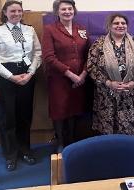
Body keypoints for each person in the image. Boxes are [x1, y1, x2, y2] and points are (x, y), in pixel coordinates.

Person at [0, 0, 42, 171]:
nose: (16, 14)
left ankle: (25, 150)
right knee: (7, 117)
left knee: (24, 116)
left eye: (19, 11)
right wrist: (11, 77)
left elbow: (37, 53)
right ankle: (10, 154)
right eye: (12, 11)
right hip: (5, 76)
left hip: (26, 74)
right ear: (5, 13)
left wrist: (30, 73)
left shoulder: (29, 30)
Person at [87, 13, 134, 135]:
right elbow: (91, 67)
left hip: (131, 95)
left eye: (123, 23)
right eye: (116, 23)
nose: (120, 25)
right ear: (109, 26)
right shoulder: (98, 44)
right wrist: (108, 83)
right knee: (108, 130)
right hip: (107, 95)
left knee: (130, 131)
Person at [42, 0, 90, 152]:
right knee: (60, 111)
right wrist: (70, 74)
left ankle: (73, 144)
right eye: (63, 9)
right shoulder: (50, 29)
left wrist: (82, 74)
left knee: (75, 110)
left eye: (70, 8)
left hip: (80, 79)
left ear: (74, 11)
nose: (67, 11)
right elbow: (49, 57)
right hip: (59, 79)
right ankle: (61, 144)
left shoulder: (81, 28)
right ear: (57, 12)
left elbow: (90, 54)